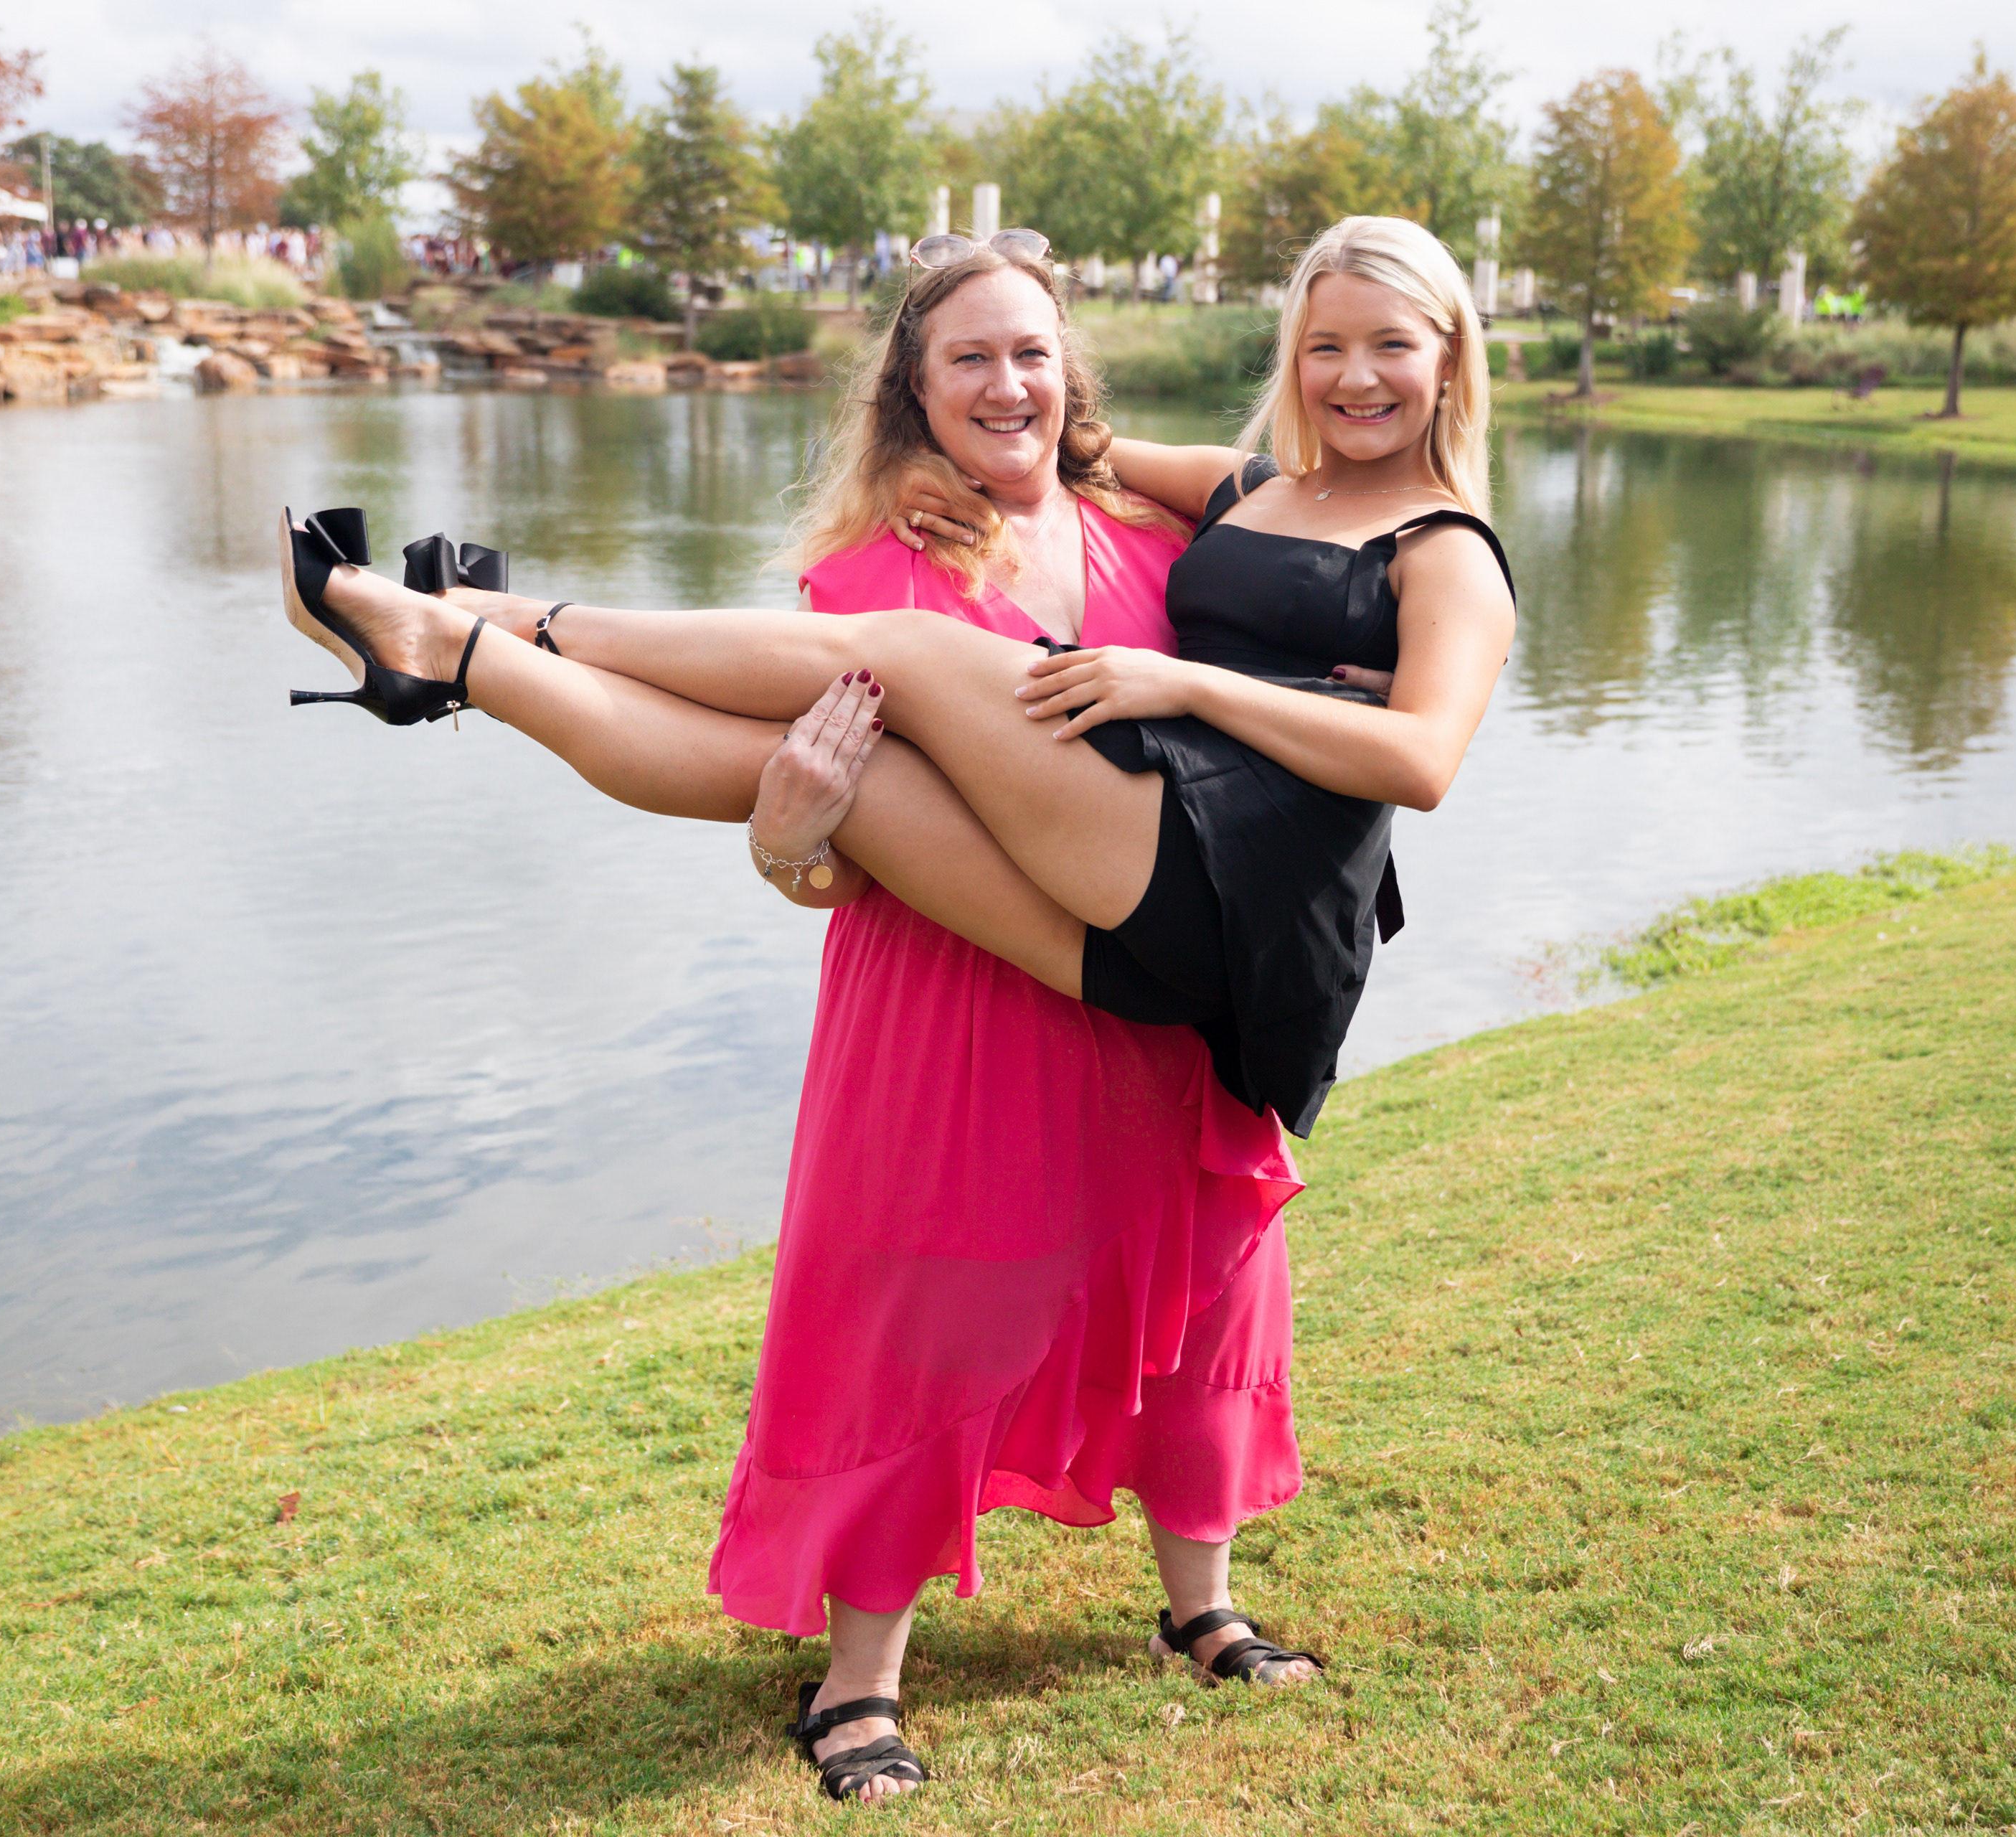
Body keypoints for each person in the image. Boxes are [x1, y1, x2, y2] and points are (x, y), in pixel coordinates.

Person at [279, 203, 1513, 1745]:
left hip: (1209, 920)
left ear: (1451, 353)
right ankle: (460, 656)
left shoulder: (1325, 548)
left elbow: (1419, 750)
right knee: (818, 783)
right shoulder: (1204, 501)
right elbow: (833, 824)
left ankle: (481, 626)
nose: (1010, 387)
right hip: (1020, 964)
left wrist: (1181, 674)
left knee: (1197, 1294)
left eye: (1032, 355)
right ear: (913, 393)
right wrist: (785, 842)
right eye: (969, 363)